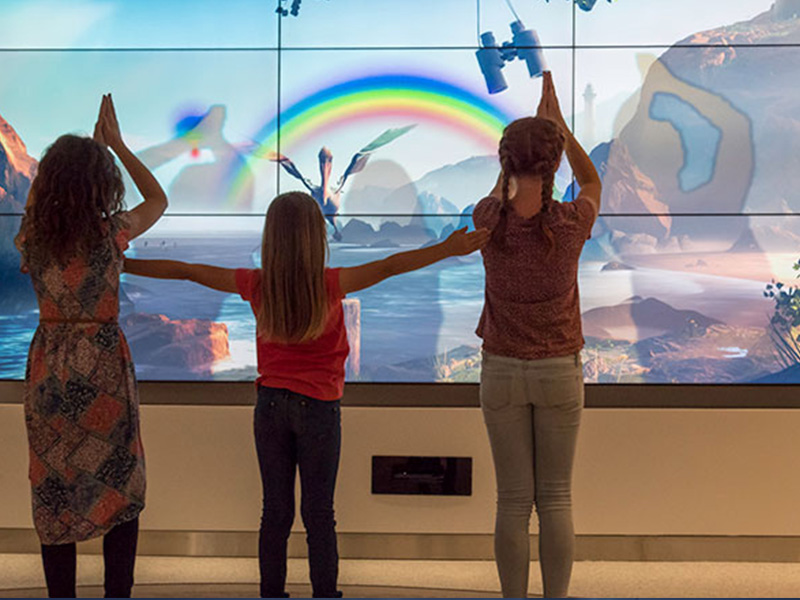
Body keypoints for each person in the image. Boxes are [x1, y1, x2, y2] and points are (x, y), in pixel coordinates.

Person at [123, 191, 490, 598]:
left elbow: (185, 271)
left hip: (270, 406)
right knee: (319, 514)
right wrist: (446, 249)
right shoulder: (331, 284)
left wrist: (120, 263)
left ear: (272, 237)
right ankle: (324, 595)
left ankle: (272, 594)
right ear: (316, 236)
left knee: (275, 513)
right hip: (319, 410)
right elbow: (390, 266)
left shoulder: (256, 284)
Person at [14, 94, 168, 598]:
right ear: (103, 183)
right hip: (101, 364)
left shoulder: (33, 236)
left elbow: (36, 202)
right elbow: (158, 199)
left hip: (49, 368)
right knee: (118, 483)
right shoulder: (111, 233)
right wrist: (115, 145)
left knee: (54, 485)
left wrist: (69, 165)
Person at [472, 71, 602, 599]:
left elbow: (499, 195)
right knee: (556, 500)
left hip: (501, 372)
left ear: (505, 164)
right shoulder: (571, 223)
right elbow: (592, 184)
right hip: (558, 374)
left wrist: (521, 155)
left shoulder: (488, 218)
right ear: (553, 165)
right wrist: (562, 131)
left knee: (511, 502)